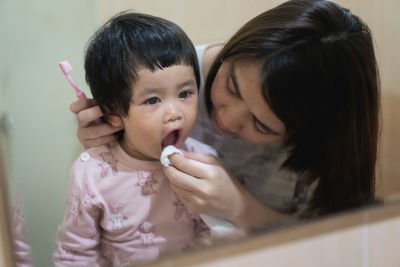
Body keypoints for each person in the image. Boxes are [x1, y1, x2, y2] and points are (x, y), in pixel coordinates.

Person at [71, 0, 380, 231]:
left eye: (261, 125)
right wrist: (109, 142)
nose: (227, 120)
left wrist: (241, 207)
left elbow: (336, 246)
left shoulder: (325, 152)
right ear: (234, 46)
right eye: (231, 86)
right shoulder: (170, 78)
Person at [54, 12, 216, 266]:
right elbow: (74, 255)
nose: (175, 113)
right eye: (153, 100)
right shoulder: (91, 174)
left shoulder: (204, 162)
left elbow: (214, 232)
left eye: (185, 93)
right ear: (113, 112)